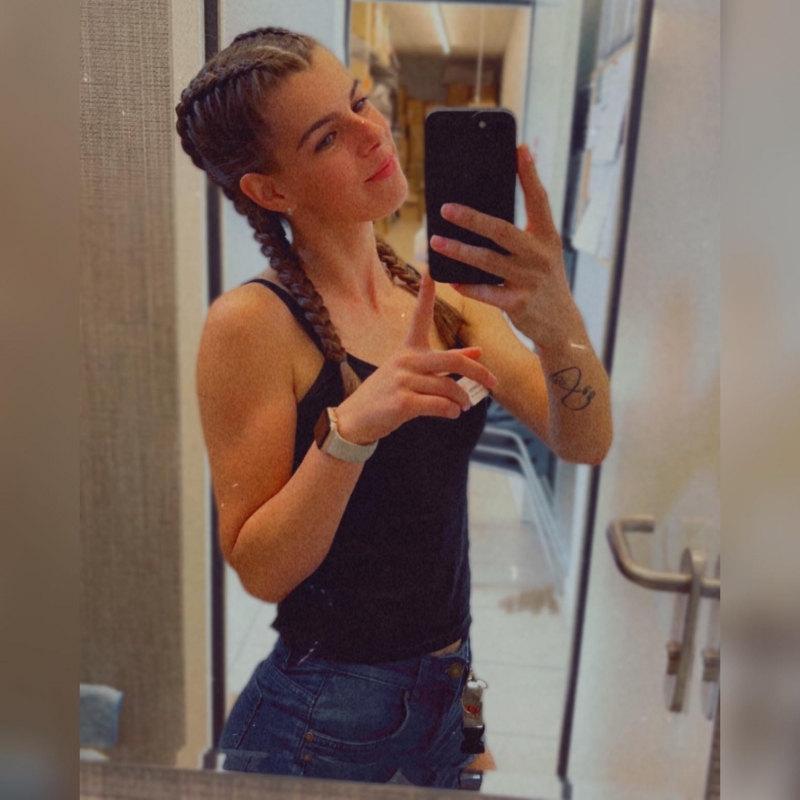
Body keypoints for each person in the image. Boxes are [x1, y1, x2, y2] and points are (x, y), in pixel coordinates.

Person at [175, 26, 612, 790]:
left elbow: (584, 440)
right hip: (326, 711)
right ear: (271, 191)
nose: (373, 132)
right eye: (327, 138)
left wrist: (559, 322)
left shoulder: (438, 296)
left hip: (457, 682)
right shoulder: (252, 324)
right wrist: (350, 431)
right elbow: (259, 568)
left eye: (360, 102)